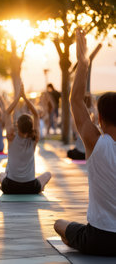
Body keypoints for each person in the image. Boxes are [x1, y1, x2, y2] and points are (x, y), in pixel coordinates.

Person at [54, 29, 116, 256]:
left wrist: (83, 62)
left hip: (100, 239)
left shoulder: (97, 143)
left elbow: (75, 100)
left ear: (99, 118)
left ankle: (75, 241)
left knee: (59, 224)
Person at [0, 84, 51, 194]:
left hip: (10, 187)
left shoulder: (11, 137)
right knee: (47, 174)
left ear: (17, 126)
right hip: (30, 187)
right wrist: (25, 98)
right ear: (31, 127)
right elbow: (36, 115)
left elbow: (7, 112)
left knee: (1, 175)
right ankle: (40, 187)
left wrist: (18, 97)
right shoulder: (34, 139)